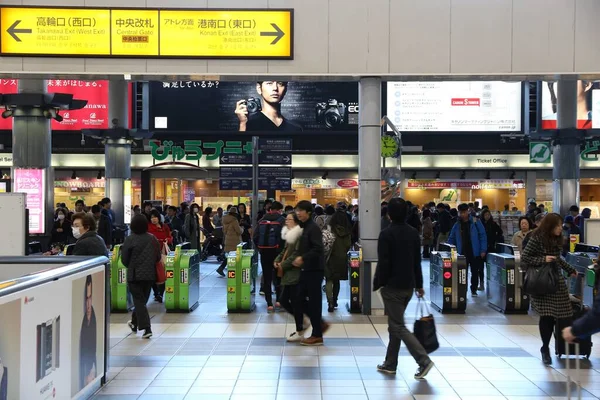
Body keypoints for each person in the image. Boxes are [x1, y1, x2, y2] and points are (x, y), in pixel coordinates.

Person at [373, 198, 434, 379]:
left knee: (398, 326)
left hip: (392, 287)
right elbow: (417, 262)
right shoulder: (413, 233)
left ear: (389, 214)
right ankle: (390, 363)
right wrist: (420, 285)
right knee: (394, 325)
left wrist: (378, 283)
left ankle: (423, 360)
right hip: (408, 286)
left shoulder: (386, 234)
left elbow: (384, 263)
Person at [521, 213, 577, 365]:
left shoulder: (557, 239)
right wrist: (542, 259)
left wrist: (570, 269)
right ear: (550, 226)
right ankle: (545, 348)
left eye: (561, 226)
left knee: (563, 314)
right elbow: (525, 257)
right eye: (558, 226)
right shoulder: (536, 237)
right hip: (541, 282)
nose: (561, 228)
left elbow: (557, 258)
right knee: (547, 316)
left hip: (556, 281)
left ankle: (561, 345)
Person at [294, 201, 330, 346]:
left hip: (314, 270)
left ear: (308, 212)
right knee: (298, 299)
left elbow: (317, 249)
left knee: (314, 302)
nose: (298, 213)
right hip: (306, 269)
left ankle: (317, 334)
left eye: (301, 211)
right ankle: (319, 324)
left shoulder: (313, 228)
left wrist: (303, 257)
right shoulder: (305, 227)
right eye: (297, 210)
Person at [121, 214, 162, 339]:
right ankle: (134, 323)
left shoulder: (130, 239)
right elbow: (158, 257)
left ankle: (147, 328)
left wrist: (132, 265)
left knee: (139, 301)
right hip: (149, 275)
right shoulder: (152, 238)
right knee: (142, 301)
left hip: (134, 275)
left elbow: (124, 259)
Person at [274, 212, 307, 342]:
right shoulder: (290, 235)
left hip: (295, 273)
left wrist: (283, 264)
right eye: (286, 219)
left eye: (289, 219)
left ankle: (300, 329)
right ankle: (302, 323)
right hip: (288, 273)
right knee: (284, 300)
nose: (286, 221)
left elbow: (297, 254)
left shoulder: (299, 235)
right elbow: (285, 251)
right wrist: (277, 260)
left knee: (295, 302)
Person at [448, 203, 487, 297]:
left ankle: (473, 289)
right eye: (461, 213)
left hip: (475, 252)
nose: (462, 215)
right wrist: (449, 249)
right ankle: (463, 289)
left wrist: (483, 250)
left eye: (464, 212)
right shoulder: (457, 223)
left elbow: (482, 235)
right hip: (462, 252)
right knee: (462, 273)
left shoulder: (475, 221)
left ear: (468, 211)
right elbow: (452, 237)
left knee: (475, 272)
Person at [255, 201, 286, 311]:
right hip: (277, 253)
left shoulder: (261, 220)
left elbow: (255, 237)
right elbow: (285, 237)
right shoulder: (282, 220)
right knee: (278, 277)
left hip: (264, 252)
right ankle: (278, 301)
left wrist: (260, 249)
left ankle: (269, 303)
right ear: (278, 210)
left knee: (267, 277)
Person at [235, 81, 303, 132]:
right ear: (259, 88)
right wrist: (243, 123)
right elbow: (242, 148)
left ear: (286, 89)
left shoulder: (296, 128)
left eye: (280, 83)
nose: (275, 88)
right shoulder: (248, 123)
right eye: (269, 83)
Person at [325, 211, 352, 312]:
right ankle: (335, 300)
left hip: (330, 257)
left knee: (328, 279)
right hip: (341, 258)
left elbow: (325, 243)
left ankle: (330, 302)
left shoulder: (329, 229)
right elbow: (348, 245)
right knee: (337, 280)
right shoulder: (347, 231)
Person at [148, 209, 172, 303]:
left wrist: (167, 240)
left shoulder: (164, 226)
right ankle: (156, 293)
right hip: (151, 253)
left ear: (159, 218)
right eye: (152, 217)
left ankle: (161, 294)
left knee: (163, 274)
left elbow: (170, 237)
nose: (153, 219)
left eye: (155, 217)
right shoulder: (148, 227)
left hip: (163, 253)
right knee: (153, 274)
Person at [79, 275, 97, 390]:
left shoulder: (93, 319)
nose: (88, 303)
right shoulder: (82, 322)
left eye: (90, 298)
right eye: (87, 298)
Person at [218, 206, 242, 276]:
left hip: (228, 240)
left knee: (229, 256)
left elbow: (224, 231)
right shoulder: (234, 220)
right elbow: (239, 231)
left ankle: (221, 268)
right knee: (233, 257)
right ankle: (231, 271)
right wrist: (242, 229)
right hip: (234, 241)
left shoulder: (225, 220)